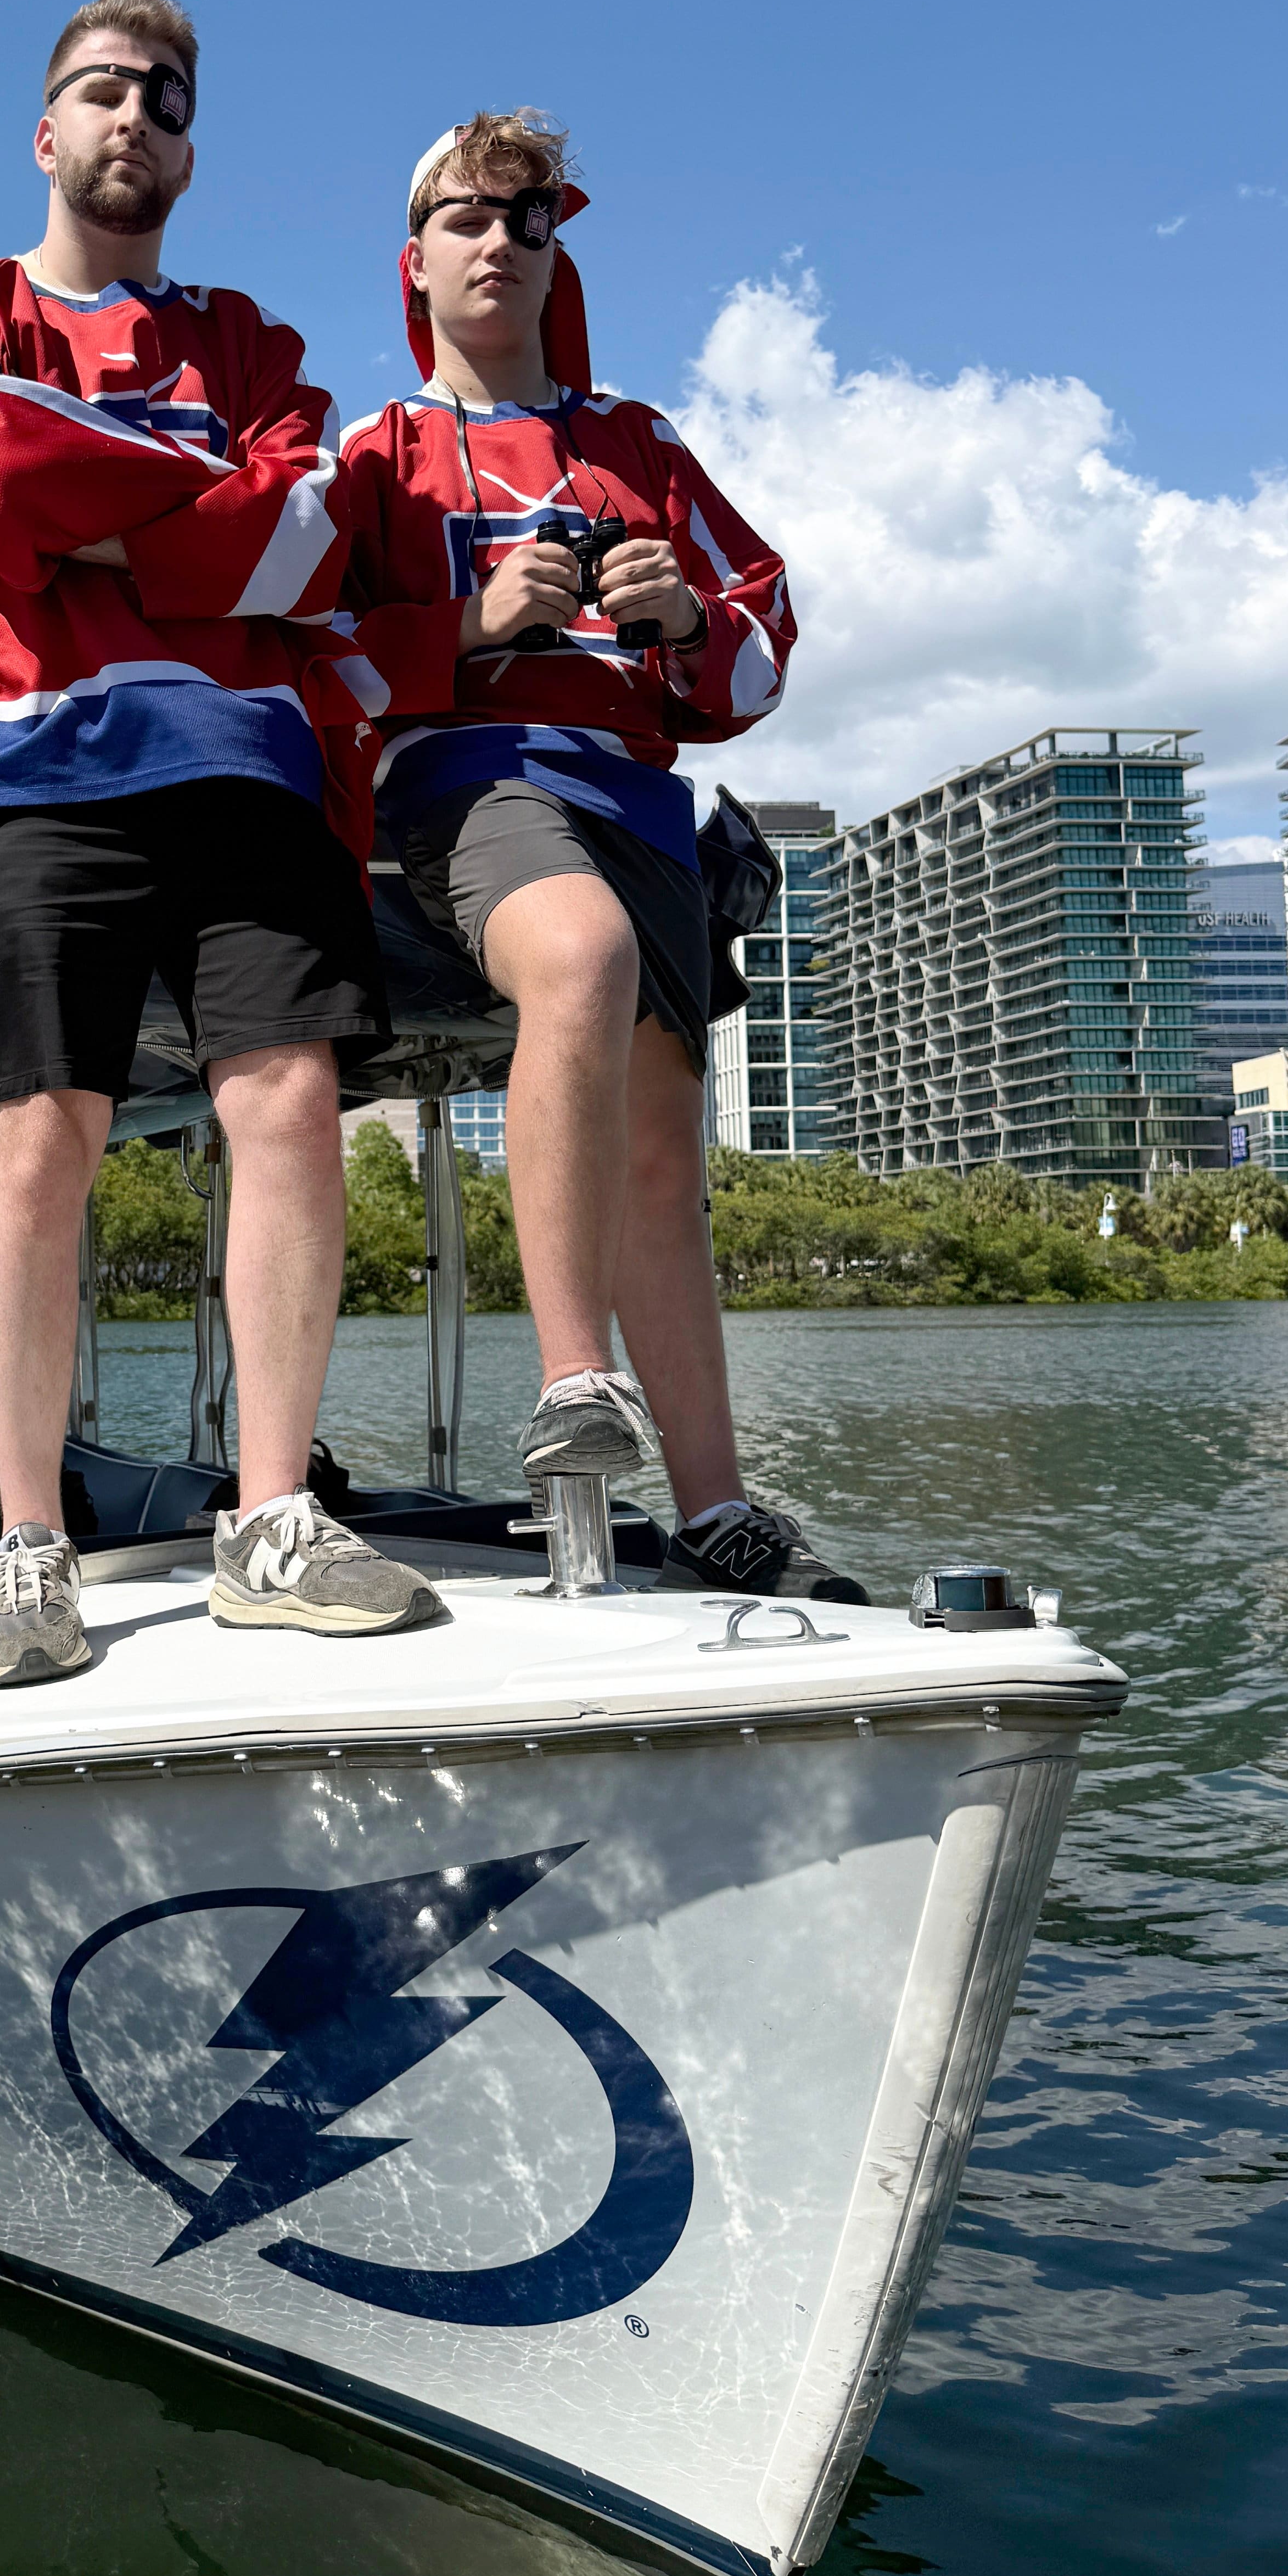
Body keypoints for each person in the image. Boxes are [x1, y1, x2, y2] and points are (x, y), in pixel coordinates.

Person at [0, 0, 432, 1687]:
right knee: (40, 1137)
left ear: (191, 156)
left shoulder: (254, 346)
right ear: (46, 131)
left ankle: (268, 1519)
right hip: (33, 765)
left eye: (168, 102)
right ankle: (27, 1544)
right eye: (103, 90)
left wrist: (98, 525)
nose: (136, 117)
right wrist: (185, 511)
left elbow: (303, 532)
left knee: (289, 1107)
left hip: (250, 767)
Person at [337, 109, 864, 1604]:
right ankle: (576, 1385)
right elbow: (305, 658)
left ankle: (715, 1507)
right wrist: (472, 624)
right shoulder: (372, 460)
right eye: (466, 218)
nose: (499, 244)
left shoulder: (642, 444)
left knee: (661, 1163)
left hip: (637, 793)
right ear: (414, 258)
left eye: (529, 222)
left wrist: (685, 616)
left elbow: (762, 647)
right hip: (469, 776)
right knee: (580, 954)